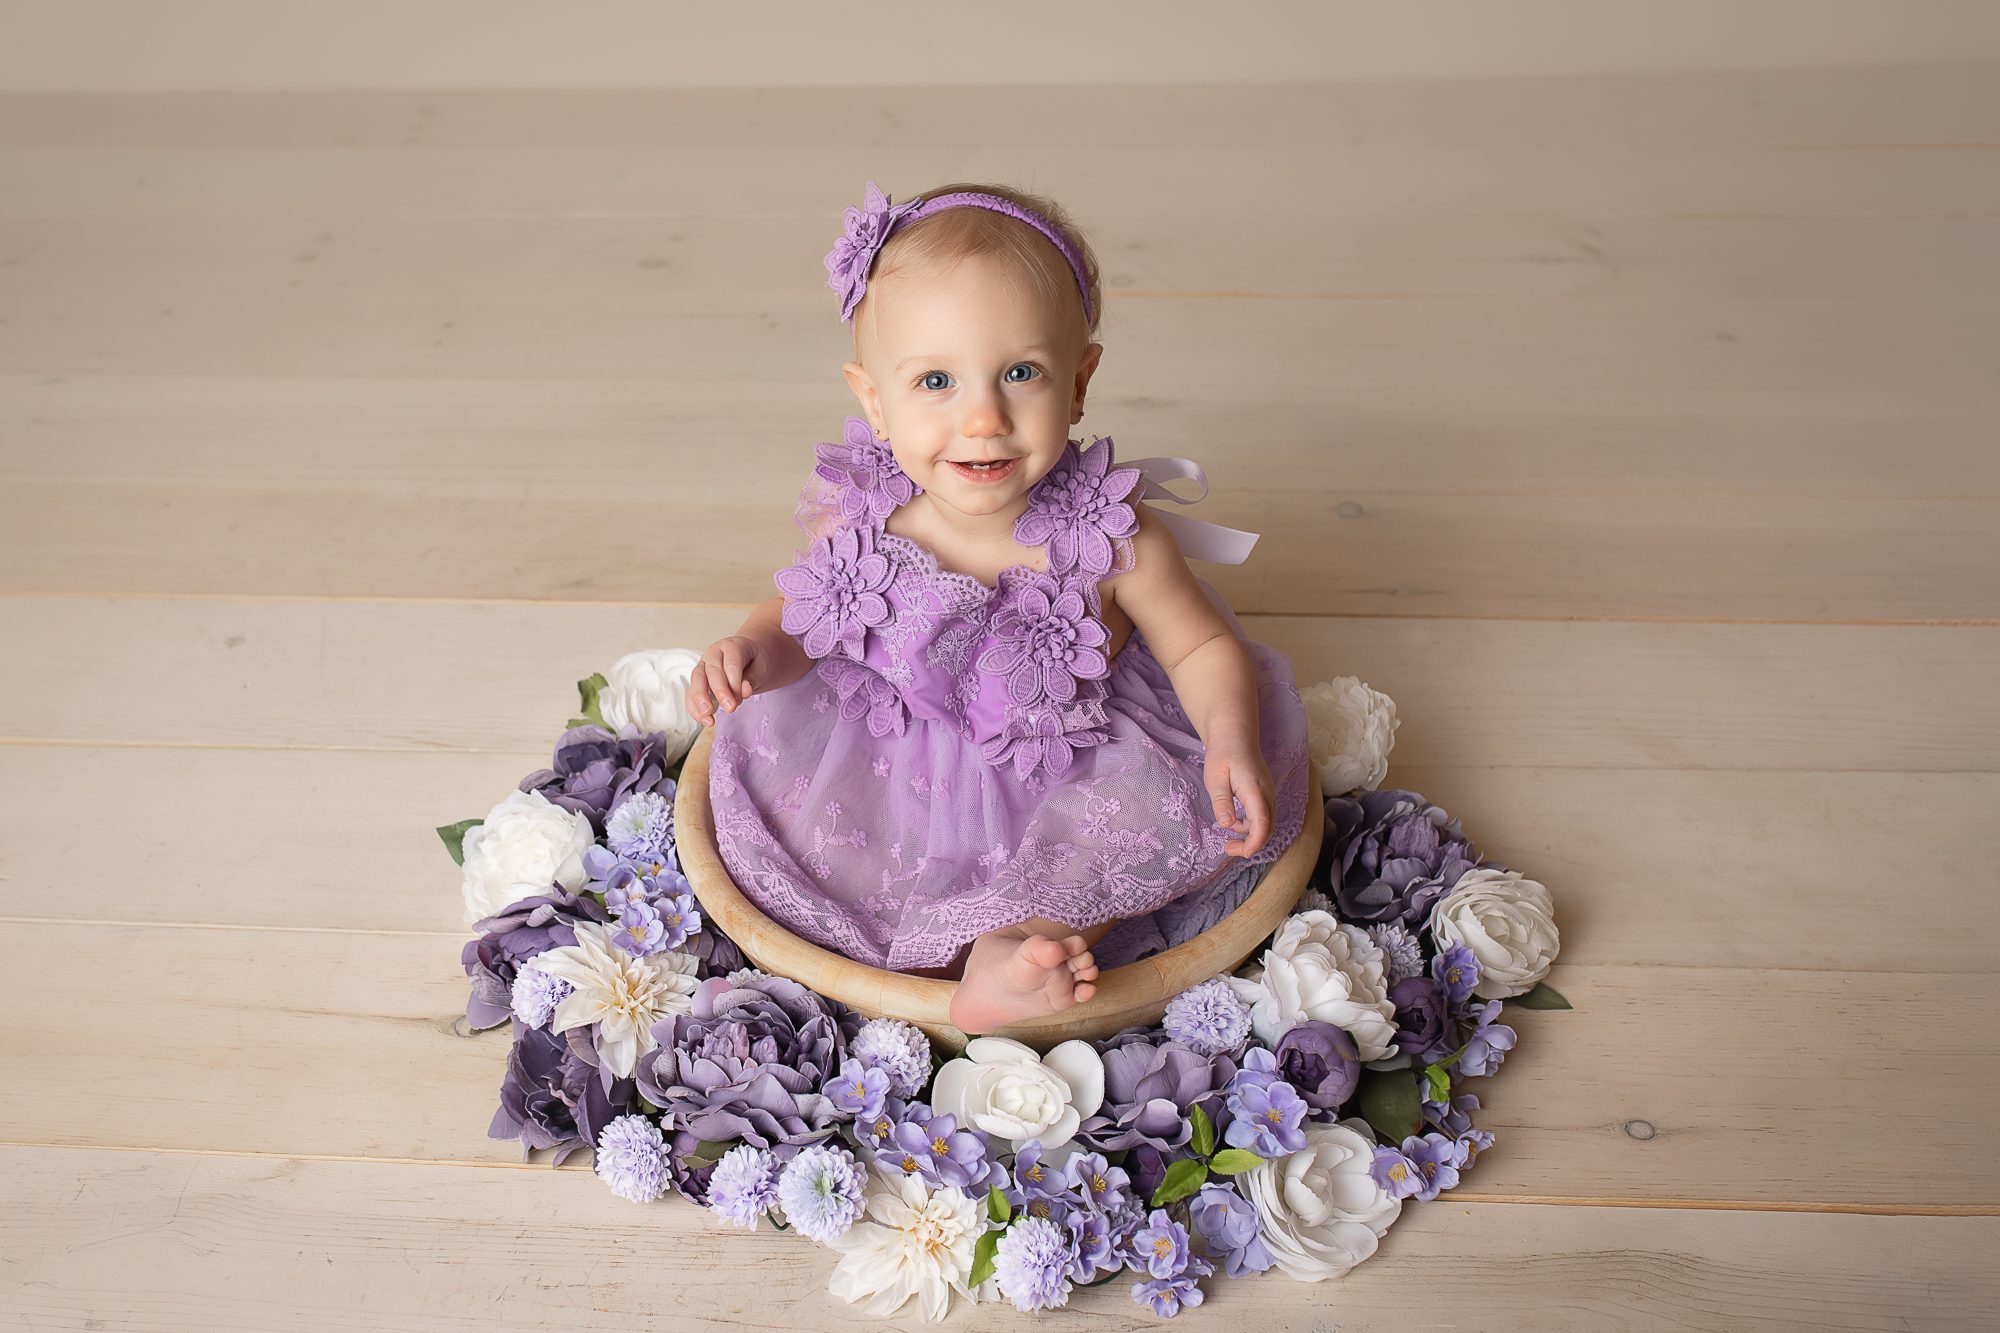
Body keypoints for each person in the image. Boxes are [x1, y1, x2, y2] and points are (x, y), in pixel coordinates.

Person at [689, 180, 1310, 1033]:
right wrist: (756, 645)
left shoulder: (1115, 538)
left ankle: (1023, 952)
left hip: (1071, 762)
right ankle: (956, 948)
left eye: (1021, 373)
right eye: (936, 380)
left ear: (1081, 379)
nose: (983, 418)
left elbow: (1199, 646)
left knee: (1108, 849)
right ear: (873, 398)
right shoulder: (862, 512)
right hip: (888, 757)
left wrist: (1230, 738)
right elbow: (808, 613)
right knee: (840, 848)